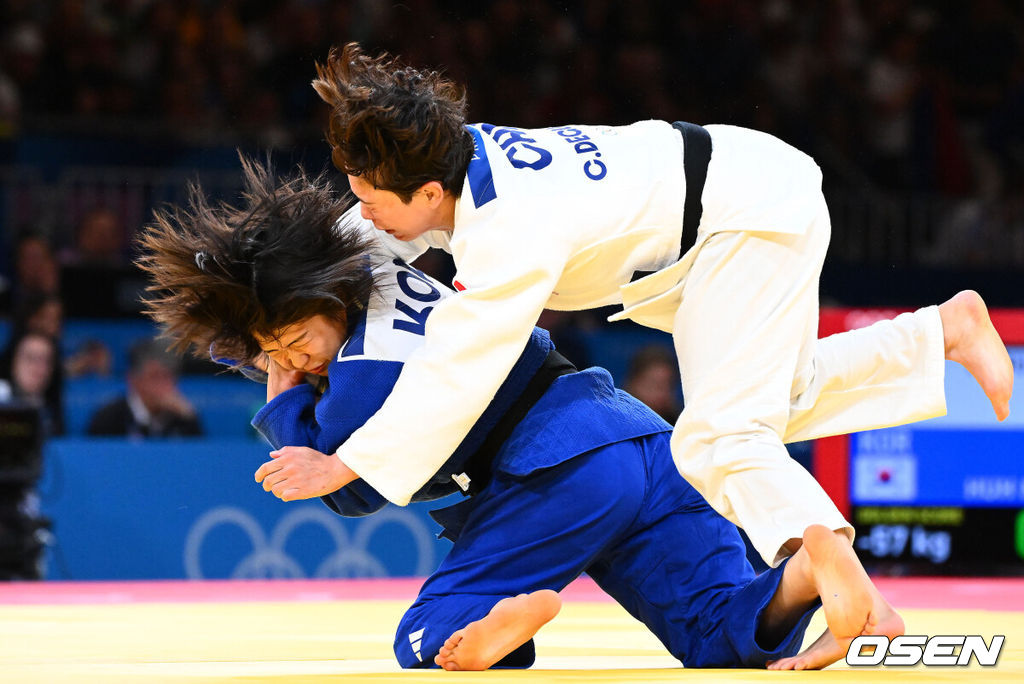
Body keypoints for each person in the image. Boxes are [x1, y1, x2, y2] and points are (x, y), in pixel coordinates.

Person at [305, 44, 1014, 661]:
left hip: (744, 220)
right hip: (739, 199)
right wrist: (273, 267)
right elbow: (372, 235)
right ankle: (939, 333)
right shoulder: (460, 155)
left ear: (427, 190)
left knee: (719, 435)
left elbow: (460, 369)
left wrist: (349, 462)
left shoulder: (508, 231)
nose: (362, 210)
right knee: (777, 400)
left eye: (370, 197)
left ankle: (826, 553)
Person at [136, 158, 913, 670]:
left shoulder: (362, 376)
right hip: (639, 435)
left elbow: (348, 488)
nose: (294, 361)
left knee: (424, 639)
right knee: (720, 639)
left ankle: (485, 626)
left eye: (294, 344)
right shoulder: (368, 263)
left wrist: (281, 388)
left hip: (558, 471)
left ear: (319, 301)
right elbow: (321, 264)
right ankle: (810, 563)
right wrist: (268, 333)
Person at [86, 338, 202, 438]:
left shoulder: (182, 418)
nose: (164, 385)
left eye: (168, 376)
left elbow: (198, 457)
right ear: (133, 379)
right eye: (155, 376)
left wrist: (190, 418)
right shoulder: (108, 419)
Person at [623, 344, 683, 424]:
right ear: (634, 383)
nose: (662, 395)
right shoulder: (614, 423)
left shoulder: (681, 425)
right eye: (653, 386)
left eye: (669, 386)